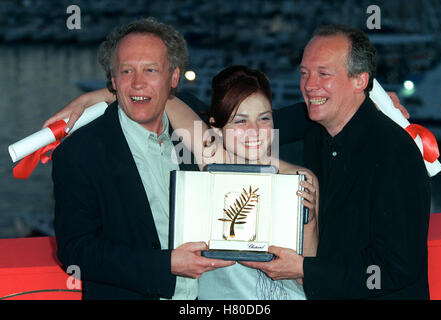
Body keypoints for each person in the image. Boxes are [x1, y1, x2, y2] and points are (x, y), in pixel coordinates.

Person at [49, 64, 320, 300]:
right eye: (240, 121)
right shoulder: (215, 162)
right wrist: (92, 97)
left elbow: (307, 275)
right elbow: (162, 97)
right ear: (215, 127)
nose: (254, 131)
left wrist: (307, 227)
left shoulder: (300, 179)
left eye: (264, 118)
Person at [51, 17, 235, 300]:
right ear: (113, 79)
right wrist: (165, 265)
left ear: (173, 77)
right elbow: (77, 251)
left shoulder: (195, 127)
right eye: (126, 71)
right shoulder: (79, 152)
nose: (137, 83)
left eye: (150, 70)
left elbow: (267, 132)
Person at [242, 24, 431, 299]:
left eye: (323, 74)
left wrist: (305, 269)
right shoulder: (317, 127)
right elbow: (239, 128)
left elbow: (396, 268)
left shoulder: (394, 153)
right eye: (304, 73)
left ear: (360, 81)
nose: (309, 85)